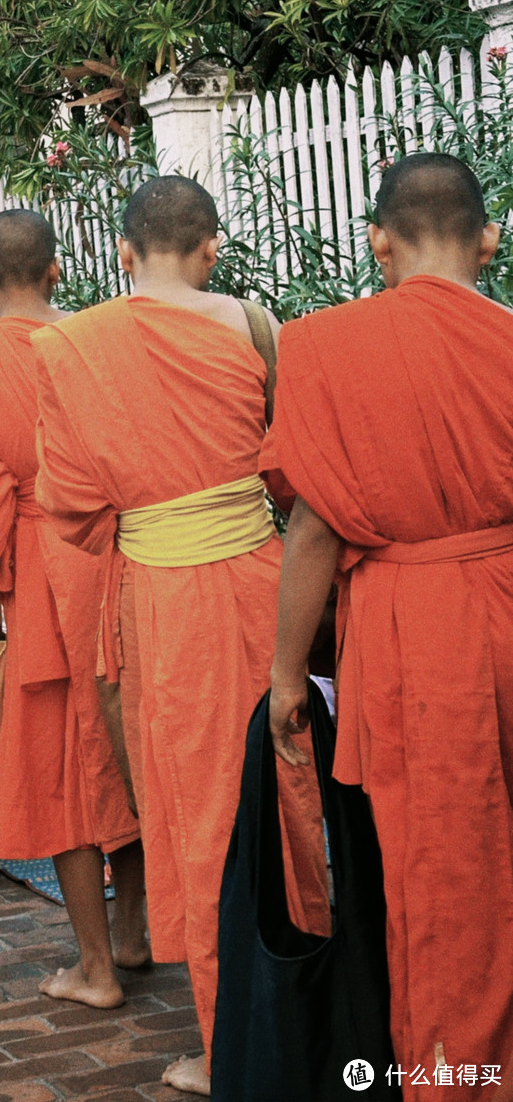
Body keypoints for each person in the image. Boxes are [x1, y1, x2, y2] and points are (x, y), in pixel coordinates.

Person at [32, 177, 329, 1097]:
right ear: (211, 250)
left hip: (161, 599)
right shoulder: (252, 324)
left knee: (196, 816)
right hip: (259, 583)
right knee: (282, 793)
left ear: (123, 253)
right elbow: (290, 470)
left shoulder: (71, 344)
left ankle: (226, 1040)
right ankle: (312, 1007)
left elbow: (71, 503)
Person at [265, 152, 513, 1100]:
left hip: (421, 629)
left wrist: (289, 675)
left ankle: (458, 1075)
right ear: (488, 241)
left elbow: (314, 527)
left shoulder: (328, 345)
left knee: (445, 875)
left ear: (377, 242)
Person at [0, 209, 148, 1008]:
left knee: (60, 768)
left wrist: (4, 568)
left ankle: (95, 967)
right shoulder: (104, 341)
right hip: (122, 559)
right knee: (127, 747)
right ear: (58, 271)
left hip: (43, 581)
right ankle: (135, 931)